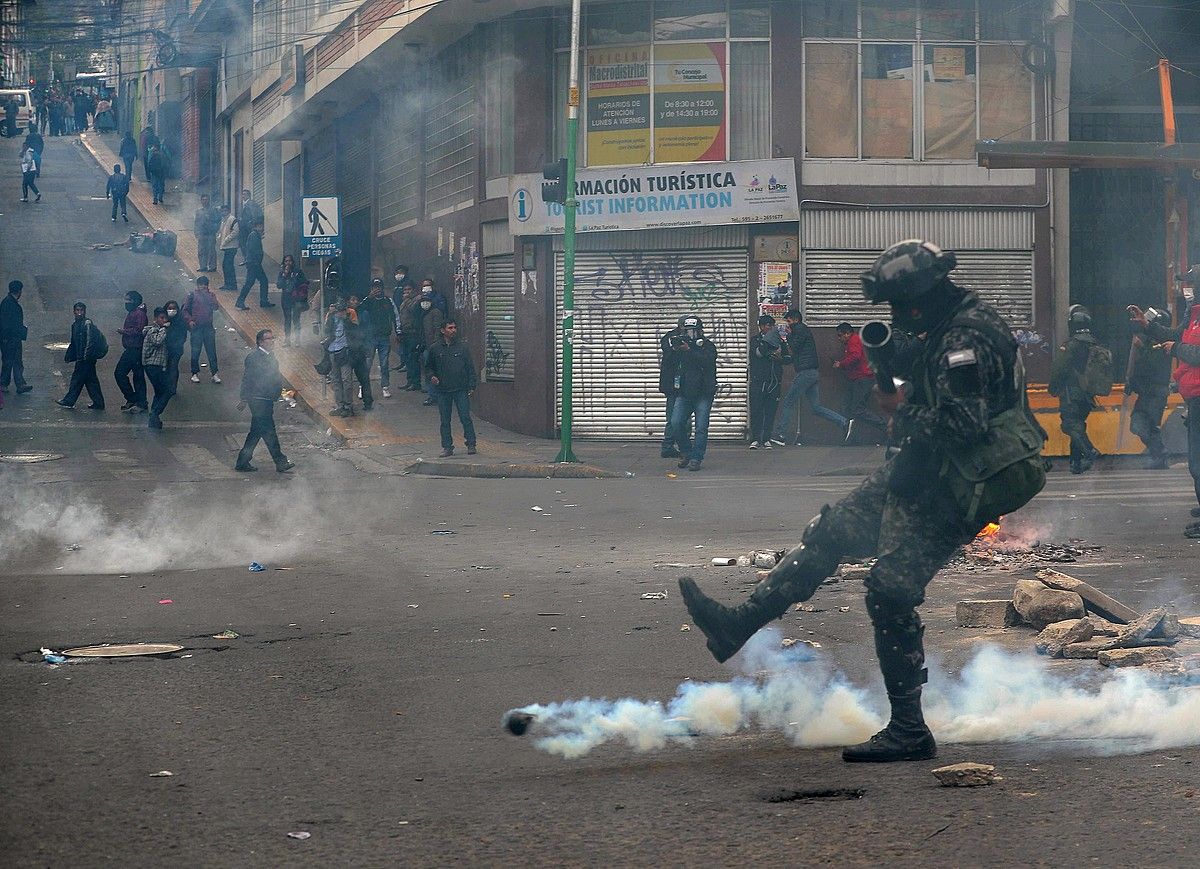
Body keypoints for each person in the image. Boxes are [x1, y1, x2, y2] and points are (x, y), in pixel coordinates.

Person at [679, 239, 1047, 763]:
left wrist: (900, 407)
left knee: (890, 591)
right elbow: (927, 373)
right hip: (923, 469)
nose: (897, 315)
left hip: (966, 482)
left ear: (921, 296)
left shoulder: (967, 339)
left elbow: (965, 424)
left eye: (900, 304)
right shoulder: (944, 326)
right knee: (830, 532)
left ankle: (908, 730)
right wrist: (895, 363)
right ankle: (736, 624)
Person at [1130, 302, 1200, 525]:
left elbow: (1194, 352)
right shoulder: (1193, 316)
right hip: (1194, 396)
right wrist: (1148, 325)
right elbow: (1175, 335)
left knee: (1198, 463)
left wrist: (1176, 348)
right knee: (1196, 463)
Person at [773, 309, 848, 446]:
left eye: (789, 321)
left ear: (796, 319)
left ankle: (781, 435)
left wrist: (787, 336)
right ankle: (843, 422)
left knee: (788, 401)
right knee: (815, 407)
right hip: (811, 373)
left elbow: (795, 346)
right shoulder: (801, 331)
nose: (787, 325)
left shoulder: (800, 329)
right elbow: (797, 354)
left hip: (806, 373)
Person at [1049, 304, 1105, 474]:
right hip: (1088, 395)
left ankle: (1089, 451)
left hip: (1071, 393)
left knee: (1069, 425)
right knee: (1078, 425)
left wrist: (1053, 388)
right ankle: (1076, 463)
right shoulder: (1095, 344)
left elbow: (1059, 368)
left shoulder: (1071, 345)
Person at [235, 329, 294, 472]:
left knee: (256, 431)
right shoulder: (254, 358)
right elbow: (247, 378)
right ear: (260, 342)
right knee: (269, 431)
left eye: (273, 338)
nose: (272, 341)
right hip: (258, 400)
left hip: (267, 399)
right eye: (269, 339)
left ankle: (242, 461)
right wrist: (244, 397)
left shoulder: (270, 356)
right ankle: (280, 461)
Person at [668, 314, 718, 472]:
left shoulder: (707, 346)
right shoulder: (681, 349)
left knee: (701, 427)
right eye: (687, 331)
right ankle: (686, 451)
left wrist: (690, 350)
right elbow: (669, 364)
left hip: (703, 392)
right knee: (676, 423)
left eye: (693, 332)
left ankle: (696, 457)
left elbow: (707, 361)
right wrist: (674, 349)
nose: (690, 335)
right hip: (684, 392)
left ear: (700, 331)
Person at [1126, 306, 1173, 470]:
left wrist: (1141, 347)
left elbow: (1151, 365)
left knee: (1148, 425)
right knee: (1138, 424)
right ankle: (1158, 453)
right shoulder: (1148, 340)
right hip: (1146, 392)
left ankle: (1159, 454)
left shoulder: (1161, 344)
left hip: (1156, 392)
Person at [426, 318, 478, 457]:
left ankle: (471, 443)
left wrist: (472, 384)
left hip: (460, 388)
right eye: (450, 328)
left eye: (454, 327)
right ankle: (447, 447)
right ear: (443, 330)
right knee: (445, 420)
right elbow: (429, 367)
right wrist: (432, 377)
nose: (453, 330)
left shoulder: (462, 347)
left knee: (465, 417)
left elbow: (470, 368)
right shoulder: (435, 348)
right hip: (443, 390)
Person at [56, 302, 107, 409]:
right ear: (74, 311)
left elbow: (89, 341)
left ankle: (69, 400)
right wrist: (70, 355)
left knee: (77, 379)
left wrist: (84, 357)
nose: (79, 313)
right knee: (91, 381)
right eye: (77, 310)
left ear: (85, 311)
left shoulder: (87, 324)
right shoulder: (75, 325)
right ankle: (98, 403)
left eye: (81, 310)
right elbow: (74, 342)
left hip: (86, 358)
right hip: (84, 358)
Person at [834, 321, 880, 441]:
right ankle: (853, 436)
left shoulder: (853, 341)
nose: (839, 339)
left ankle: (884, 427)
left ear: (847, 333)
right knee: (850, 407)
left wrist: (841, 364)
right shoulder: (853, 341)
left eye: (840, 335)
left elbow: (855, 356)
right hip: (858, 378)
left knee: (857, 409)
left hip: (862, 379)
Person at [749, 314, 787, 449]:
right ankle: (755, 439)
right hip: (758, 381)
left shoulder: (779, 341)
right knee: (756, 410)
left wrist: (780, 357)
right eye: (767, 326)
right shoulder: (755, 340)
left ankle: (766, 438)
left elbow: (787, 358)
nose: (770, 328)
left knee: (770, 411)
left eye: (772, 326)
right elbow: (758, 354)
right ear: (761, 327)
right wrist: (767, 342)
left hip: (774, 381)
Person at [658, 318, 692, 459]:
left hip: (686, 383)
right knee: (674, 416)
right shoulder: (670, 338)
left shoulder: (691, 338)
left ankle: (677, 445)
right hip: (673, 383)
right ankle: (670, 445)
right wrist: (675, 348)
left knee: (682, 417)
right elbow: (667, 354)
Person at [361, 278, 400, 397]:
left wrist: (398, 332)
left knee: (384, 363)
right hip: (370, 337)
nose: (377, 289)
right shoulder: (368, 301)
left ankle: (385, 386)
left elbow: (395, 316)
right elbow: (359, 310)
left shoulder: (388, 301)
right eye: (374, 287)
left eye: (378, 287)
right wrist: (369, 298)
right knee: (367, 363)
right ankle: (363, 386)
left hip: (384, 337)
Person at [114, 290, 148, 413]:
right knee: (135, 376)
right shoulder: (135, 312)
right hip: (131, 348)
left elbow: (138, 331)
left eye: (128, 300)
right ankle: (135, 400)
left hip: (135, 349)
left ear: (134, 301)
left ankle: (138, 401)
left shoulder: (139, 314)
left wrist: (124, 331)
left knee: (123, 373)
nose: (126, 303)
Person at [183, 276, 221, 383]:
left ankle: (214, 373)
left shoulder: (211, 295)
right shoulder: (192, 295)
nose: (203, 286)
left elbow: (216, 307)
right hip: (197, 327)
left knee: (211, 351)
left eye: (205, 284)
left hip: (208, 327)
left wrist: (210, 297)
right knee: (196, 351)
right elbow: (185, 310)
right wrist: (190, 321)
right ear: (197, 285)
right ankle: (194, 373)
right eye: (201, 284)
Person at [323, 301, 356, 417]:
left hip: (345, 352)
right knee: (336, 379)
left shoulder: (348, 319)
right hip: (333, 350)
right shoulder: (331, 319)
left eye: (342, 311)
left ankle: (348, 405)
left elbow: (355, 330)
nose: (340, 313)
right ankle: (339, 405)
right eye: (338, 311)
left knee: (347, 379)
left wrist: (346, 320)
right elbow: (326, 331)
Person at [0, 280, 31, 395]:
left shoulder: (8, 302)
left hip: (13, 338)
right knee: (9, 361)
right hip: (10, 339)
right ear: (19, 291)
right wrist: (6, 337)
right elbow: (5, 323)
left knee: (16, 361)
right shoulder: (9, 303)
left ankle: (20, 384)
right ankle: (3, 383)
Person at [417, 283, 446, 405]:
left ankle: (434, 395)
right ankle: (432, 394)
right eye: (422, 301)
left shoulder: (435, 313)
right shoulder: (423, 314)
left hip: (433, 348)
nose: (424, 303)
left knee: (433, 372)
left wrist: (434, 346)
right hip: (426, 346)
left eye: (427, 301)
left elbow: (437, 330)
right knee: (429, 371)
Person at [142, 307, 171, 429]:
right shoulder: (153, 331)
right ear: (155, 319)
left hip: (158, 365)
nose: (164, 320)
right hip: (152, 365)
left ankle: (154, 419)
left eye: (165, 318)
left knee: (159, 392)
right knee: (167, 391)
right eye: (161, 318)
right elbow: (157, 341)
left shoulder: (158, 330)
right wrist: (164, 328)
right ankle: (155, 413)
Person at [346, 294, 374, 410]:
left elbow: (367, 331)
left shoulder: (364, 313)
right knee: (346, 380)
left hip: (360, 350)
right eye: (353, 299)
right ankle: (348, 404)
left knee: (364, 378)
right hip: (348, 351)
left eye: (357, 300)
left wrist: (367, 347)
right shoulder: (345, 313)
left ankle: (368, 402)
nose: (355, 302)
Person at [236, 221, 272, 310]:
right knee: (251, 282)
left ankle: (263, 301)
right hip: (254, 264)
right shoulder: (254, 235)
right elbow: (252, 250)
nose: (263, 228)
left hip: (254, 263)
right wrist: (255, 261)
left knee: (261, 281)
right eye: (261, 226)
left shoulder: (255, 235)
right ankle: (240, 302)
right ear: (258, 226)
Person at [276, 255, 308, 346]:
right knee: (287, 320)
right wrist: (284, 275)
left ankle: (297, 340)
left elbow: (304, 282)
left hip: (296, 299)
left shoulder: (298, 272)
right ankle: (287, 340)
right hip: (286, 299)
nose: (288, 263)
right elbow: (279, 285)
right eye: (286, 261)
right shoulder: (282, 273)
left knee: (296, 319)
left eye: (290, 261)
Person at [396, 283, 422, 390]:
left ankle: (416, 383)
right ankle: (410, 381)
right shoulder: (404, 302)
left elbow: (413, 311)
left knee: (413, 359)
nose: (407, 292)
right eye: (405, 290)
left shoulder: (417, 299)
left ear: (414, 290)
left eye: (409, 289)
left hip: (413, 333)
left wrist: (407, 300)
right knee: (407, 359)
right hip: (405, 333)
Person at [163, 299, 187, 394]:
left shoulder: (180, 321)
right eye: (169, 308)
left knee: (173, 367)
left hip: (176, 349)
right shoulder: (163, 319)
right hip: (165, 349)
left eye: (174, 308)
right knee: (166, 368)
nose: (171, 310)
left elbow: (183, 335)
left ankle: (173, 387)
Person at [194, 194, 220, 271]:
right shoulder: (199, 211)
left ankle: (212, 266)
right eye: (203, 199)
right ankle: (203, 266)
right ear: (201, 201)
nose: (205, 201)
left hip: (210, 234)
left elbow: (218, 221)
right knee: (201, 251)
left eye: (206, 199)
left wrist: (214, 230)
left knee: (211, 250)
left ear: (209, 200)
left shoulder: (213, 210)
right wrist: (196, 232)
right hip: (201, 234)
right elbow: (196, 223)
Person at [217, 205, 239, 291]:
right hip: (227, 246)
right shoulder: (224, 220)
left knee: (228, 266)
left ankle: (231, 285)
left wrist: (226, 240)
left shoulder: (232, 219)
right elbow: (222, 231)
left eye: (225, 211)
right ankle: (228, 284)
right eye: (222, 211)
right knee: (226, 265)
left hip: (231, 246)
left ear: (229, 211)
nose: (223, 212)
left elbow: (236, 231)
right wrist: (219, 237)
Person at [238, 189, 263, 253]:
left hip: (248, 229)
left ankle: (248, 260)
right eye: (242, 194)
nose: (243, 196)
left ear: (249, 195)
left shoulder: (251, 203)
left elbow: (254, 216)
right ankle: (247, 260)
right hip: (246, 229)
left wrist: (250, 225)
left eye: (244, 194)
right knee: (245, 244)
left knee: (248, 245)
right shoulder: (246, 204)